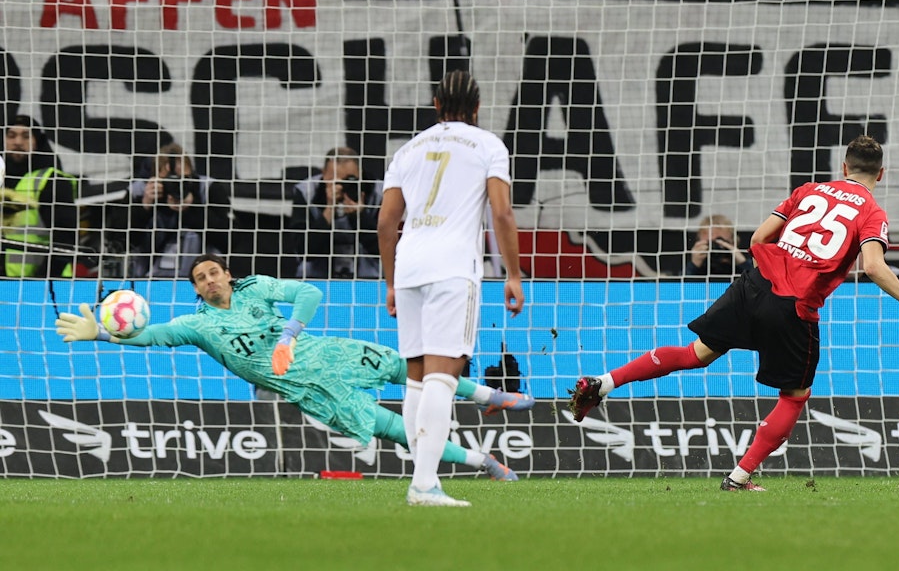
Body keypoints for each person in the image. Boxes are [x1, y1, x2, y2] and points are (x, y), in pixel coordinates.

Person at [569, 135, 899, 491]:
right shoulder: (872, 211)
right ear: (880, 174)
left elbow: (756, 239)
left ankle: (602, 383)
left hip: (753, 283)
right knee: (795, 394)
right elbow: (874, 266)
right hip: (794, 305)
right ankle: (738, 478)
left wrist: (778, 267)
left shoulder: (809, 190)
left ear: (843, 165)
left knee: (694, 354)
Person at [55, 254, 532, 480]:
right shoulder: (194, 325)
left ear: (225, 273)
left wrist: (289, 336)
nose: (209, 280)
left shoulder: (256, 288)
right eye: (200, 278)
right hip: (306, 390)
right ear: (197, 290)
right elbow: (150, 336)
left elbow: (311, 293)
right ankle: (484, 462)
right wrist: (99, 332)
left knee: (398, 365)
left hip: (319, 352)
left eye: (213, 272)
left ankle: (491, 397)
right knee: (397, 429)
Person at [378, 69, 525, 507]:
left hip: (409, 265)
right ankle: (424, 485)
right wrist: (513, 274)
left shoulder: (408, 149)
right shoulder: (487, 145)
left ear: (436, 106)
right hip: (451, 267)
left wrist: (390, 281)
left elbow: (387, 221)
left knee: (418, 381)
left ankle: (421, 478)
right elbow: (501, 213)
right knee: (444, 376)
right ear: (477, 108)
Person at [130, 143, 233, 278]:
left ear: (192, 174)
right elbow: (124, 240)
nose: (175, 185)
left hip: (201, 280)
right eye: (168, 180)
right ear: (155, 176)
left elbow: (229, 241)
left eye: (182, 179)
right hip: (146, 277)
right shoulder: (140, 191)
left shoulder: (208, 189)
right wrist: (144, 206)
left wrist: (194, 209)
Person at [1, 114, 84, 277]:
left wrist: (40, 284)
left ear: (37, 142)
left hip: (45, 286)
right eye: (11, 135)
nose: (18, 142)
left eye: (26, 136)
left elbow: (65, 240)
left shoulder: (52, 181)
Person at [285, 147, 380, 279]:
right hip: (317, 277)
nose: (340, 187)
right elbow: (304, 251)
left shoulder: (379, 193)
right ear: (323, 174)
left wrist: (360, 217)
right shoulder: (306, 192)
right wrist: (328, 210)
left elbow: (382, 249)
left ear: (360, 174)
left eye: (349, 180)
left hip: (369, 277)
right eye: (334, 181)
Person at [685, 213, 752, 277]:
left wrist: (743, 263)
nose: (715, 248)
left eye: (720, 242)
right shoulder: (695, 269)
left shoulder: (745, 269)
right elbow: (683, 287)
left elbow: (757, 285)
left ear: (733, 242)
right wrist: (694, 265)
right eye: (710, 243)